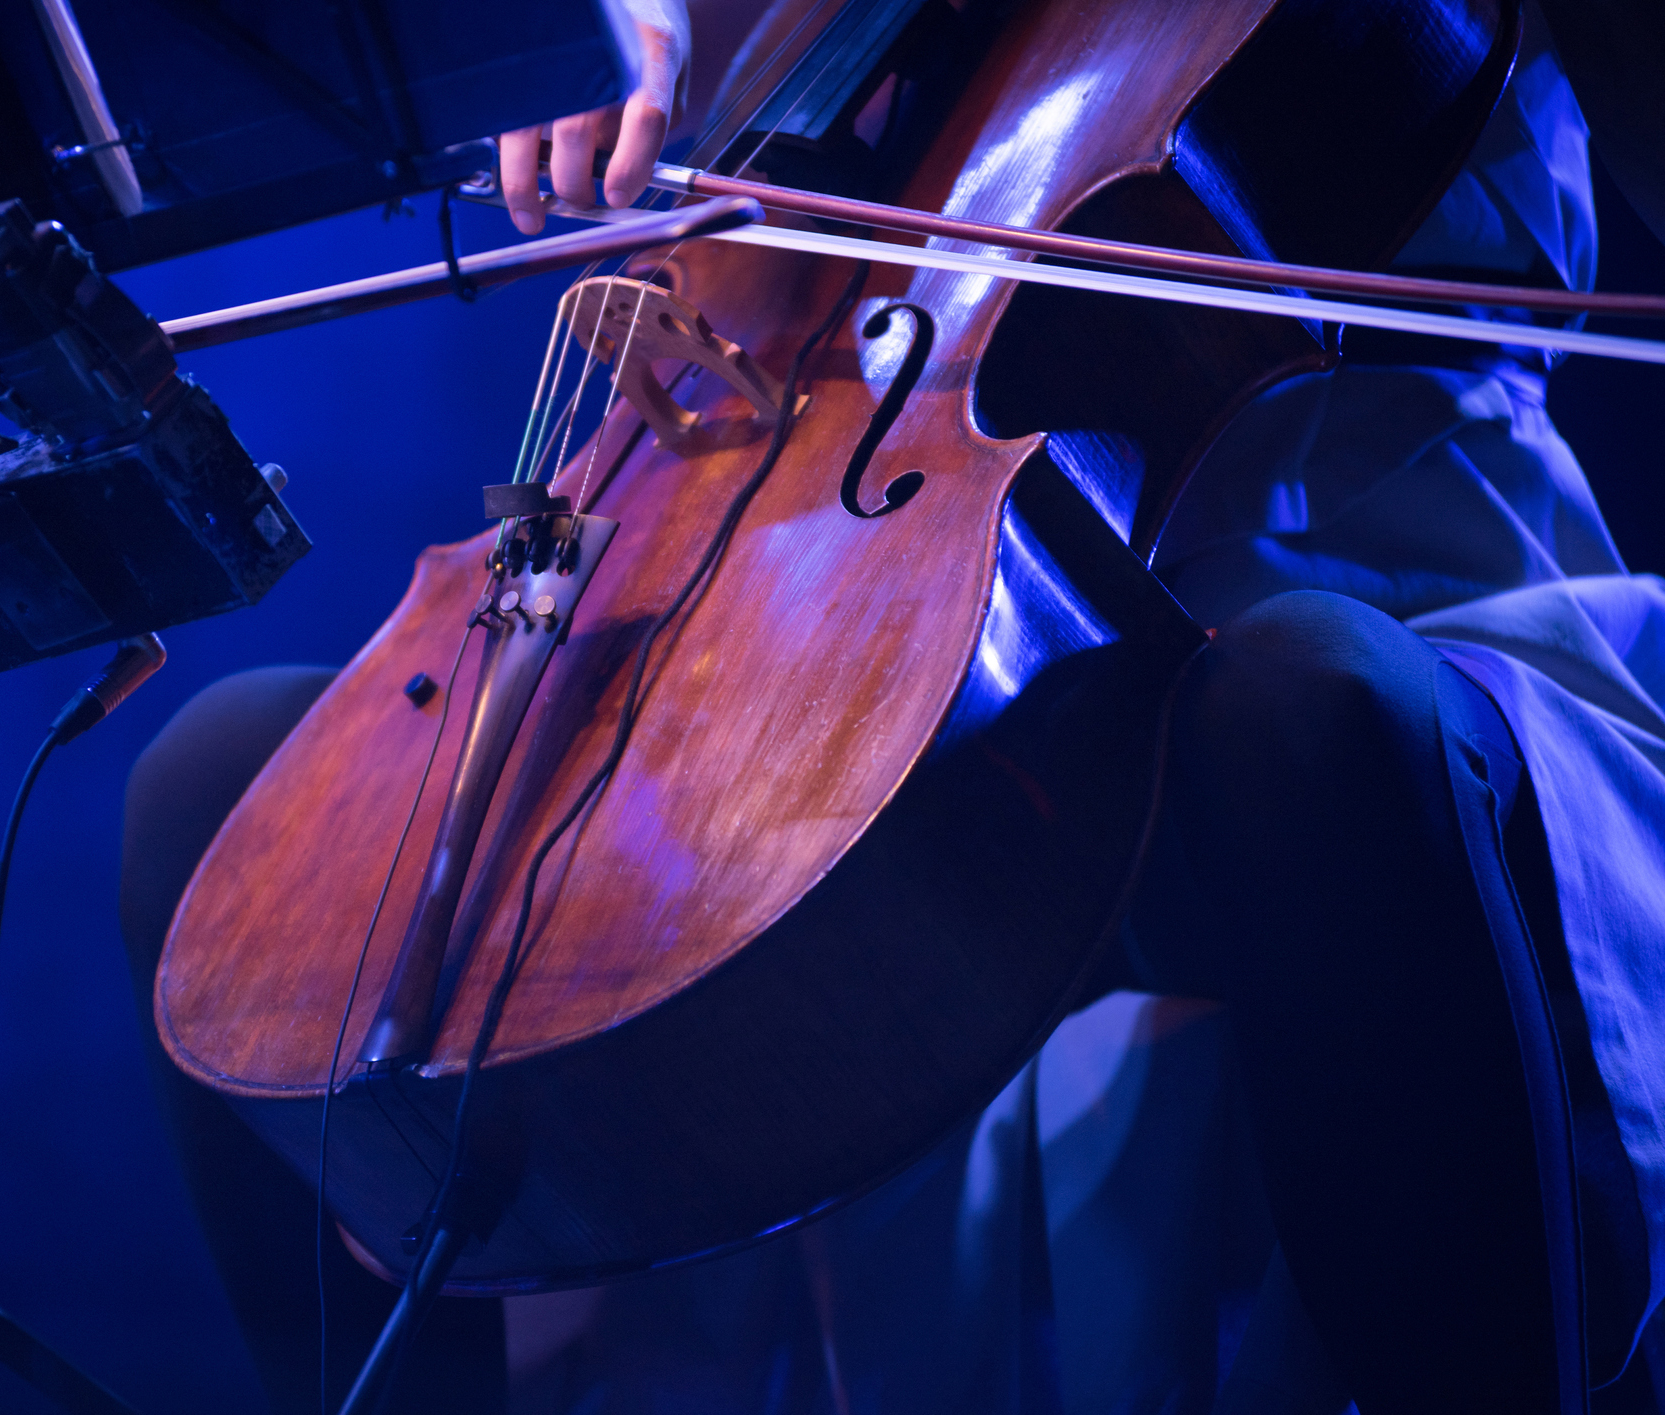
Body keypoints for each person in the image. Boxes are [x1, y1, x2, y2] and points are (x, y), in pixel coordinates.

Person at [121, 2, 1665, 1410]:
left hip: (1377, 565)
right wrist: (643, 75)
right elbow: (709, 153)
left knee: (1308, 706)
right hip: (805, 623)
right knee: (224, 794)